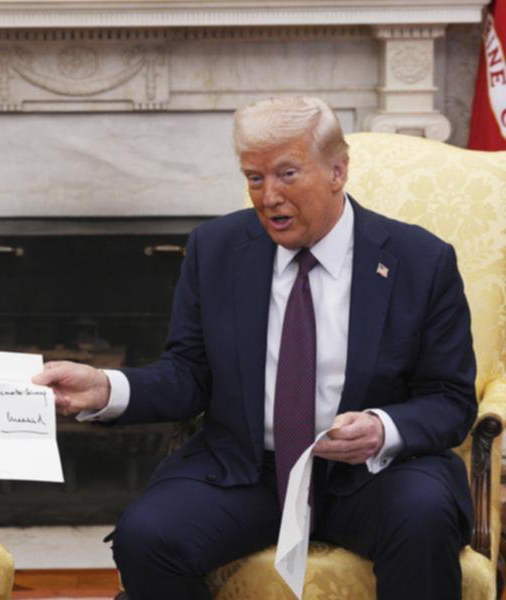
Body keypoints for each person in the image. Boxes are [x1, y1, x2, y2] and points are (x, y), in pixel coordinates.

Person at [33, 96, 477, 600]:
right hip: (249, 470)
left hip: (374, 474)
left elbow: (451, 399)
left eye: (287, 174)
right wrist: (106, 387)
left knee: (423, 517)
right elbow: (188, 374)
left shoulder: (421, 260)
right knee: (146, 536)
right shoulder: (216, 249)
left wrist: (383, 428)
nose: (268, 197)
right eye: (254, 178)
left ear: (337, 171)